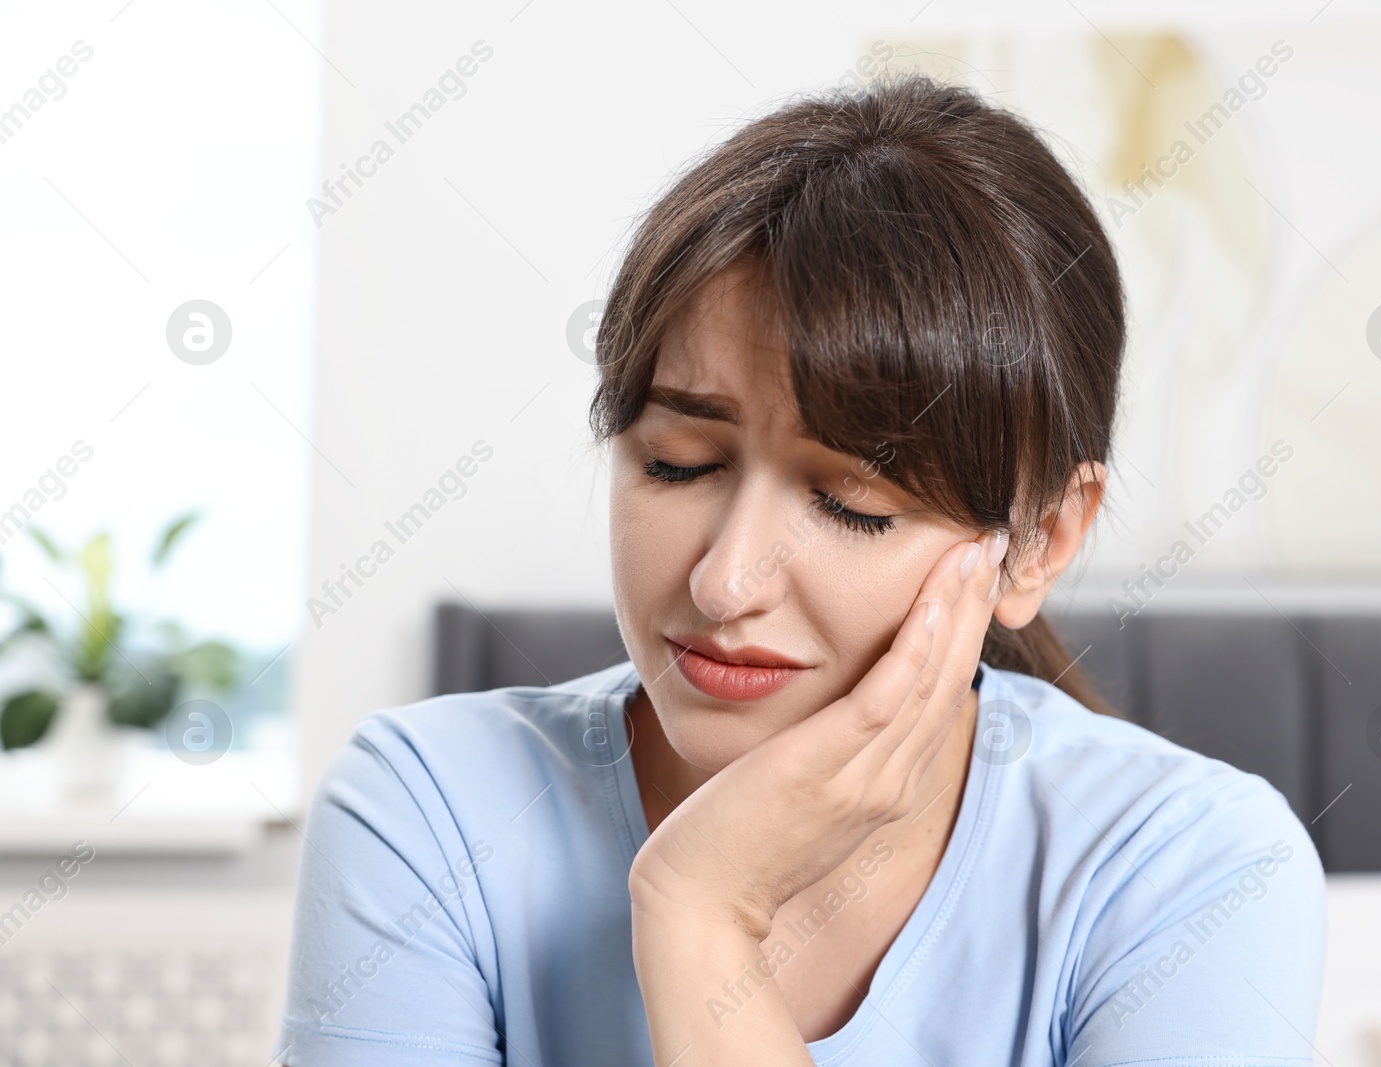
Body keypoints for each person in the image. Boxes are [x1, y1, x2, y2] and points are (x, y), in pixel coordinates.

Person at [274, 73, 1325, 1066]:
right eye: (677, 463)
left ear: (1039, 539)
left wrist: (702, 920)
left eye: (849, 503)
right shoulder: (425, 810)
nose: (726, 582)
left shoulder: (1192, 871)